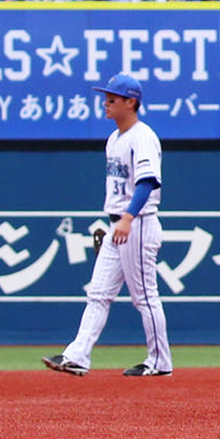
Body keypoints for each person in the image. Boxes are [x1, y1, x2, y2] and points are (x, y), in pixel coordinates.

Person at [42, 73, 173, 378]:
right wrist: (117, 222)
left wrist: (127, 218)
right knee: (98, 293)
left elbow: (147, 182)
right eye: (106, 98)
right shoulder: (115, 138)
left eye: (113, 99)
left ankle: (160, 362)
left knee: (144, 297)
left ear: (132, 102)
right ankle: (77, 356)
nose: (106, 104)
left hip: (137, 223)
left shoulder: (142, 136)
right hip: (119, 225)